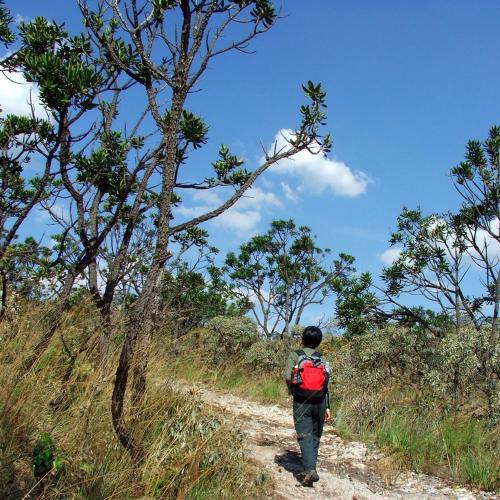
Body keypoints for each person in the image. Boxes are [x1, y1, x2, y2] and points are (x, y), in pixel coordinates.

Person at [285, 325, 331, 487]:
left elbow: (288, 377)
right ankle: (311, 467)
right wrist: (327, 407)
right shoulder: (322, 358)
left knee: (304, 434)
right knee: (315, 434)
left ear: (303, 339)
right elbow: (327, 384)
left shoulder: (295, 355)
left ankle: (310, 470)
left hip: (301, 401)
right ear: (318, 342)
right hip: (320, 401)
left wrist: (293, 392)